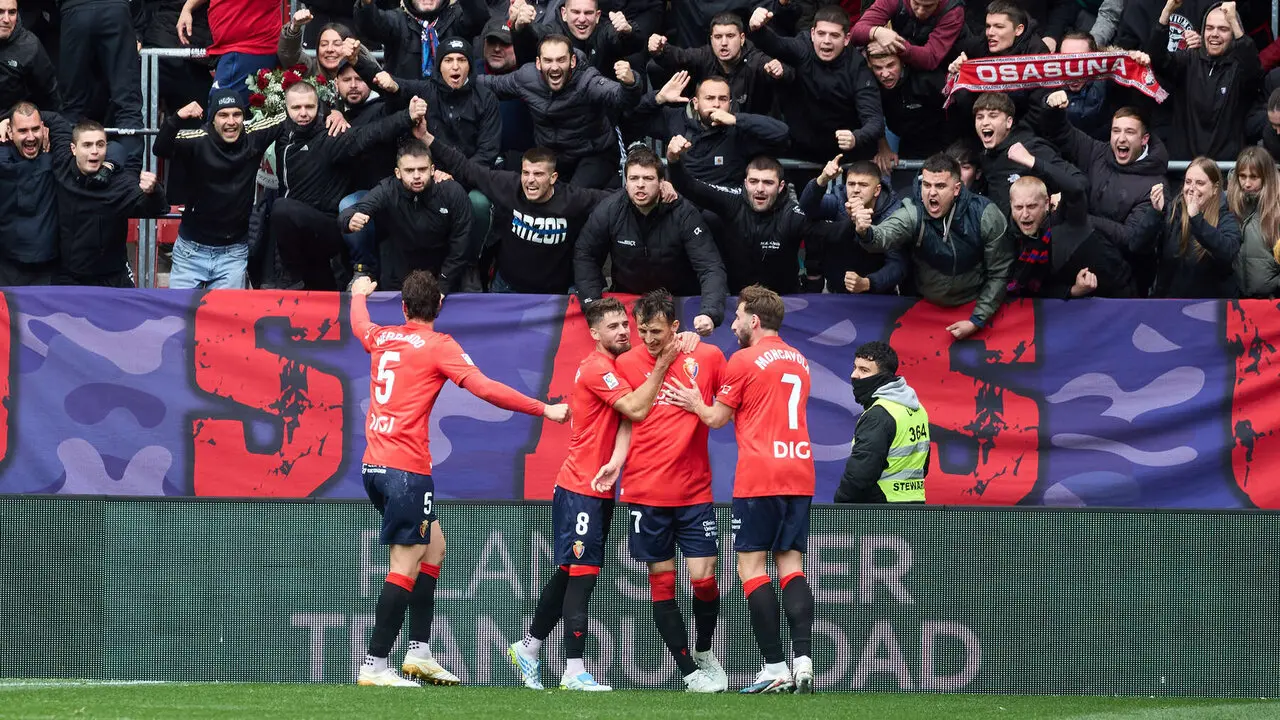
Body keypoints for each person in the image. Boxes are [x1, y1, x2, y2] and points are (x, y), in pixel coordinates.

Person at [349, 270, 569, 687]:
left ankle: (419, 651)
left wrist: (359, 293)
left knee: (433, 545)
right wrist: (544, 409)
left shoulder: (382, 338)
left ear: (403, 307)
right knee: (405, 562)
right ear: (440, 305)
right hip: (406, 471)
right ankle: (375, 665)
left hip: (374, 468)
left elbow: (360, 323)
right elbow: (484, 388)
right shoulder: (438, 345)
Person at [509, 296, 677, 692]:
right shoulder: (598, 367)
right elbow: (636, 409)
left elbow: (623, 424)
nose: (623, 331)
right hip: (580, 487)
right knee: (582, 576)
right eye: (614, 326)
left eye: (625, 324)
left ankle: (528, 648)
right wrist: (665, 362)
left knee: (569, 573)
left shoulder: (614, 367)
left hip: (598, 485)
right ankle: (573, 670)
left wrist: (617, 461)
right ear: (594, 333)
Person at [665, 285, 817, 695]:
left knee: (751, 568)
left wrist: (695, 399)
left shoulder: (744, 359)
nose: (732, 324)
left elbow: (715, 418)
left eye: (737, 316)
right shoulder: (799, 360)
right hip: (800, 469)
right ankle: (803, 660)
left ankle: (774, 667)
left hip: (761, 473)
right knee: (791, 563)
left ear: (754, 320)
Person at [614, 290, 728, 693]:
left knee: (704, 577)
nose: (648, 338)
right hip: (646, 490)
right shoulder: (626, 363)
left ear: (676, 326)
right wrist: (616, 462)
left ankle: (703, 649)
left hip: (695, 490)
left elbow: (726, 411)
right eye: (642, 330)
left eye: (657, 330)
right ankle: (689, 673)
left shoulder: (709, 358)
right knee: (661, 579)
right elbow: (627, 418)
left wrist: (699, 406)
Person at [270, 82, 424, 290]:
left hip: (328, 229)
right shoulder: (282, 136)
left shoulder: (332, 136)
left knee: (281, 208)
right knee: (322, 301)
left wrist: (407, 116)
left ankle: (292, 278)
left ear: (318, 107)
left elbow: (372, 133)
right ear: (286, 109)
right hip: (299, 238)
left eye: (310, 107)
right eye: (296, 108)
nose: (304, 113)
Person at [418, 131, 613, 294]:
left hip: (553, 294)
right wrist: (426, 137)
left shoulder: (573, 198)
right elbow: (467, 168)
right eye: (526, 173)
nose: (530, 180)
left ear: (553, 178)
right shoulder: (509, 185)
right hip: (506, 287)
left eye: (538, 174)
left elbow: (613, 200)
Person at [853, 153, 1012, 341]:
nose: (931, 193)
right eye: (926, 185)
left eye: (940, 186)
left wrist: (978, 319)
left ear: (956, 189)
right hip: (924, 307)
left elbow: (999, 273)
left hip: (973, 306)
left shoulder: (985, 214)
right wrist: (866, 231)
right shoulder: (913, 211)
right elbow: (883, 236)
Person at [574, 147, 728, 335]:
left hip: (678, 304)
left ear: (662, 182)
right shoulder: (609, 209)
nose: (640, 184)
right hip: (628, 304)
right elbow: (585, 254)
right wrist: (594, 305)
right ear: (626, 182)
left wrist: (709, 312)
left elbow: (710, 266)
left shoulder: (684, 212)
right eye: (634, 178)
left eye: (648, 179)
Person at [152, 91, 287, 289]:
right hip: (191, 252)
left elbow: (292, 112)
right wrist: (178, 117)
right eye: (223, 115)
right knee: (180, 318)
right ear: (212, 119)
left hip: (233, 254)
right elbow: (160, 148)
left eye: (237, 114)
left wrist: (333, 113)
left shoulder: (253, 137)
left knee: (225, 320)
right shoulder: (198, 139)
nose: (231, 121)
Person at [476, 34, 644, 188]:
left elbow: (620, 98)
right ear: (538, 63)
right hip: (553, 157)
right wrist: (461, 77)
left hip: (594, 154)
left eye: (561, 60)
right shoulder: (526, 77)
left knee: (572, 198)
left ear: (572, 61)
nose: (554, 67)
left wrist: (631, 83)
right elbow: (492, 85)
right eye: (548, 61)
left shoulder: (588, 80)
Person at [665, 139, 805, 294]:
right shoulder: (733, 200)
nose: (760, 189)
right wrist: (673, 160)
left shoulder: (792, 213)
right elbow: (689, 186)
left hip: (782, 298)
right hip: (737, 297)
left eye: (767, 182)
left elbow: (827, 232)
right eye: (754, 181)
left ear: (780, 186)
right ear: (745, 183)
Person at [749, 5, 884, 164]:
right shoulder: (804, 46)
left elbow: (875, 121)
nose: (826, 41)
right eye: (821, 34)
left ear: (846, 39)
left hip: (845, 157)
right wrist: (757, 28)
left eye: (834, 35)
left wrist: (856, 137)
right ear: (812, 34)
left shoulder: (857, 67)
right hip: (802, 152)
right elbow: (777, 44)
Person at [338, 140, 473, 291]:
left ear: (432, 169)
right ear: (398, 173)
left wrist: (442, 286)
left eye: (422, 169)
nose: (416, 176)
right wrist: (349, 220)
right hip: (401, 267)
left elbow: (461, 244)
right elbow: (355, 209)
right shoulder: (388, 188)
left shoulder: (452, 191)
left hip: (444, 268)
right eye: (409, 170)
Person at [1003, 149, 1135, 299]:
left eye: (1032, 206)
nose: (1025, 214)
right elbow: (1034, 291)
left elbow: (1076, 189)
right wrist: (1072, 291)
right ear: (1011, 206)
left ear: (1046, 203)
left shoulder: (1068, 219)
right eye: (1019, 207)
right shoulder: (1012, 241)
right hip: (1075, 308)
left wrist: (1032, 161)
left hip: (1120, 294)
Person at [53, 120, 169, 286]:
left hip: (112, 278)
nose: (94, 151)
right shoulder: (62, 166)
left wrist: (153, 190)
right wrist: (5, 120)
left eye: (100, 145)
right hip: (69, 277)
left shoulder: (120, 182)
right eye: (87, 145)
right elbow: (53, 120)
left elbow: (157, 209)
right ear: (73, 149)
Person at [1147, 0, 1260, 161]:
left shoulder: (1239, 70)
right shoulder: (1188, 60)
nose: (1214, 34)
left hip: (1223, 172)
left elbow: (1254, 71)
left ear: (1233, 34)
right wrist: (1167, 12)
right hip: (1184, 171)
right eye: (1209, 28)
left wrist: (1234, 21)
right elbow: (1157, 59)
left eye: (1223, 29)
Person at [637, 72, 790, 187]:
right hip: (684, 207)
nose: (716, 104)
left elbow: (781, 133)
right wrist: (657, 99)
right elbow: (631, 118)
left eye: (722, 99)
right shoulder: (676, 119)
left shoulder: (739, 128)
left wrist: (736, 119)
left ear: (730, 104)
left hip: (725, 210)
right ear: (695, 103)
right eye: (709, 98)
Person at [834, 341, 929, 504]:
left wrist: (839, 504)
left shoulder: (878, 415)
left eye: (864, 370)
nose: (854, 375)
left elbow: (860, 474)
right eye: (855, 367)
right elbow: (923, 465)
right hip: (915, 503)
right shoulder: (918, 409)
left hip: (881, 511)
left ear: (882, 377)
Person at [799, 157, 908, 295]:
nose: (855, 190)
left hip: (879, 295)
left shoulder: (894, 213)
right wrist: (821, 180)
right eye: (851, 184)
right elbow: (805, 209)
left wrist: (867, 283)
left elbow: (897, 265)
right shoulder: (839, 200)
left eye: (863, 185)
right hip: (837, 291)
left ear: (877, 190)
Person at [1141, 156, 1241, 298]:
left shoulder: (1226, 217)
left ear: (1215, 188)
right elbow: (1137, 246)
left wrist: (1196, 219)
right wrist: (1154, 213)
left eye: (1200, 183)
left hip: (1210, 307)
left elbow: (1228, 252)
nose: (1192, 189)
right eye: (1188, 182)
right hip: (1170, 304)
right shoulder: (1172, 212)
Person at [647, 13, 780, 116]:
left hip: (747, 131)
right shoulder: (705, 55)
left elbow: (787, 73)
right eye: (718, 37)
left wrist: (779, 70)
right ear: (711, 39)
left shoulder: (755, 59)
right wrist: (661, 50)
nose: (723, 43)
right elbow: (680, 56)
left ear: (742, 38)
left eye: (730, 36)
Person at [971, 92, 1082, 216]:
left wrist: (1061, 199)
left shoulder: (1031, 148)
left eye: (993, 116)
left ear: (1009, 122)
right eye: (980, 117)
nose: (985, 122)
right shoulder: (986, 155)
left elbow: (1078, 181)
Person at [0, 102, 67, 285]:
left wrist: (6, 118)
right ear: (9, 132)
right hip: (6, 269)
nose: (30, 137)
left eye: (35, 129)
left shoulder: (57, 157)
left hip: (49, 271)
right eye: (22, 131)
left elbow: (59, 121)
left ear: (44, 129)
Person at [353, 0, 489, 80]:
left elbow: (478, 18)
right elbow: (371, 25)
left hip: (453, 112)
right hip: (405, 111)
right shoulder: (397, 20)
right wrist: (366, 3)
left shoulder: (457, 17)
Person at [1228, 146, 1280, 298]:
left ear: (1267, 177)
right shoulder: (1228, 203)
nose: (1247, 184)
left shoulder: (1277, 208)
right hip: (1235, 301)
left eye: (1253, 177)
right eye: (1242, 176)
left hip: (1273, 301)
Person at [0, 0, 60, 114]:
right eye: (0, 12)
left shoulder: (29, 46)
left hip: (14, 121)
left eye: (12, 12)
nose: (6, 19)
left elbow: (49, 94)